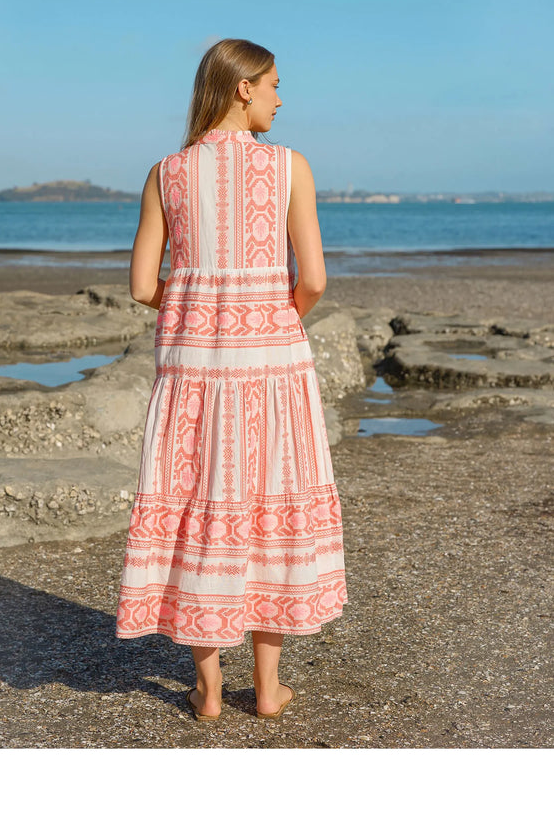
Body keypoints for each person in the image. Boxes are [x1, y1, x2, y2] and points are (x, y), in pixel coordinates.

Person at [115, 38, 347, 721]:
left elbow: (138, 286)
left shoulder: (166, 173)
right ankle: (267, 690)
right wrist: (272, 317)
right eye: (274, 83)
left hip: (193, 367)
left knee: (198, 511)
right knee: (266, 506)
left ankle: (210, 693)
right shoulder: (288, 167)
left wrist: (199, 308)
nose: (281, 96)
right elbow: (313, 281)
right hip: (272, 367)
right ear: (241, 87)